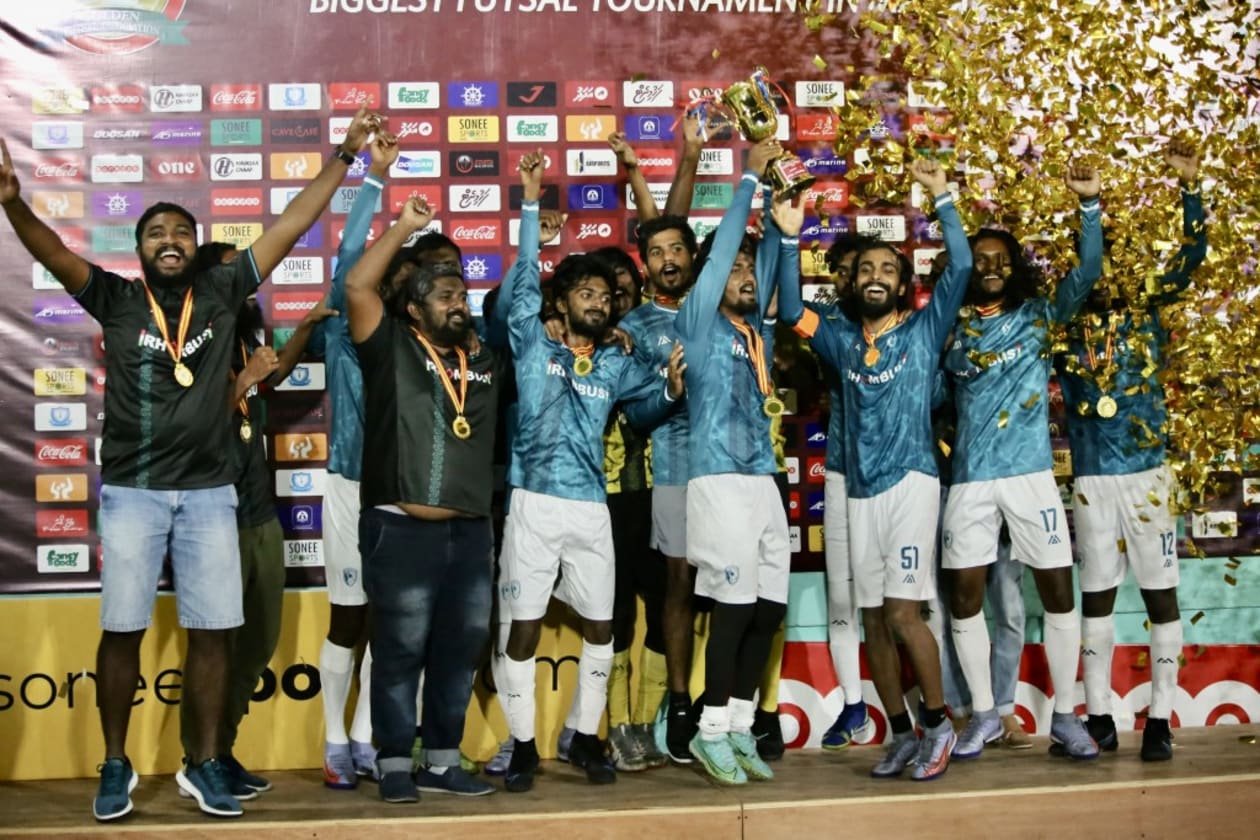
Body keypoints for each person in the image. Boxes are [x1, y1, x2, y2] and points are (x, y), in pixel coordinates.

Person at [0, 107, 381, 820]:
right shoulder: (115, 298)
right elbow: (52, 253)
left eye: (181, 232)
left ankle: (203, 763)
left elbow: (292, 223)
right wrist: (15, 204)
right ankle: (116, 764)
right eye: (156, 233)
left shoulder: (223, 291)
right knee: (122, 631)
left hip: (210, 495)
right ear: (138, 249)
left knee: (214, 633)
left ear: (197, 245)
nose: (169, 241)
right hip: (135, 493)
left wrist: (345, 155)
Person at [494, 151, 685, 793]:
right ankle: (524, 746)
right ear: (562, 301)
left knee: (602, 628)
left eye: (605, 296)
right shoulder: (533, 341)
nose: (599, 303)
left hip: (591, 509)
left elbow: (646, 411)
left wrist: (671, 390)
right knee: (523, 628)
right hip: (533, 503)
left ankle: (583, 735)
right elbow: (524, 281)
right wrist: (529, 202)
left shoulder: (615, 362)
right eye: (586, 293)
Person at [780, 156, 972, 781]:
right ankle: (901, 731)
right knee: (872, 621)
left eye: (888, 269)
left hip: (912, 481)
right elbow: (790, 309)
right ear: (851, 281)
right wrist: (789, 237)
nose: (875, 277)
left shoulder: (923, 329)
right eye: (866, 268)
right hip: (858, 490)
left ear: (903, 284)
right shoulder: (838, 339)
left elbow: (961, 267)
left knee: (901, 613)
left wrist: (942, 198)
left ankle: (939, 724)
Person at [941, 163, 1103, 761]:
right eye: (979, 260)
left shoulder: (1039, 317)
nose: (989, 268)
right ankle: (986, 714)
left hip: (1032, 476)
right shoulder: (950, 331)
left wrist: (1089, 207)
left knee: (1059, 594)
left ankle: (1065, 715)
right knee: (965, 600)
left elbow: (1087, 272)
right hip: (970, 481)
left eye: (1000, 260)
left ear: (1015, 267)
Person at [344, 186, 501, 803]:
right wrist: (404, 225)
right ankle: (393, 763)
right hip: (400, 528)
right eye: (444, 296)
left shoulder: (485, 357)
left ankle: (441, 761)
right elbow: (358, 286)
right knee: (399, 650)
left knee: (459, 652)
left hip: (471, 529)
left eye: (462, 295)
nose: (458, 303)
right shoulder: (389, 346)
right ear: (414, 309)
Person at [1060, 140, 1205, 761]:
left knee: (1159, 595)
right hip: (1093, 478)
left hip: (1148, 475)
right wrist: (1088, 211)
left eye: (1111, 262)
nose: (1102, 275)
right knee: (1095, 596)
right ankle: (1099, 716)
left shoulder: (1146, 311)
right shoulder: (1064, 327)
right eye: (1091, 262)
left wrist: (1190, 189)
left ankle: (1161, 720)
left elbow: (1192, 256)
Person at [175, 245, 336, 798]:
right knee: (214, 649)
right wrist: (242, 380)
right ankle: (198, 759)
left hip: (261, 515)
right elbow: (187, 429)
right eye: (227, 273)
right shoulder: (187, 349)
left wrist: (305, 327)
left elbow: (277, 372)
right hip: (212, 518)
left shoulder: (242, 341)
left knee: (256, 646)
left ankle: (221, 751)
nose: (245, 288)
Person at [674, 138, 795, 785]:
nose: (745, 275)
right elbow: (722, 252)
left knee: (768, 609)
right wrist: (747, 180)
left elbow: (773, 260)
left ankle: (742, 725)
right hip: (717, 481)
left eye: (751, 269)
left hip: (762, 480)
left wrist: (778, 195)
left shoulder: (757, 332)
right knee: (733, 608)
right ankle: (711, 729)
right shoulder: (698, 322)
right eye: (735, 269)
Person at [311, 131, 400, 789]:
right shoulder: (341, 333)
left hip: (398, 494)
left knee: (389, 621)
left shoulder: (411, 340)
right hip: (347, 488)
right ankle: (334, 738)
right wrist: (375, 176)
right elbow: (347, 259)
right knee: (348, 618)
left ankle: (367, 735)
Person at [808, 233, 880, 751]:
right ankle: (853, 705)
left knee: (901, 600)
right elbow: (783, 309)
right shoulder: (826, 325)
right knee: (841, 597)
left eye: (860, 269)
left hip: (896, 476)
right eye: (843, 271)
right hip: (839, 470)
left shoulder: (902, 325)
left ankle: (926, 708)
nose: (852, 279)